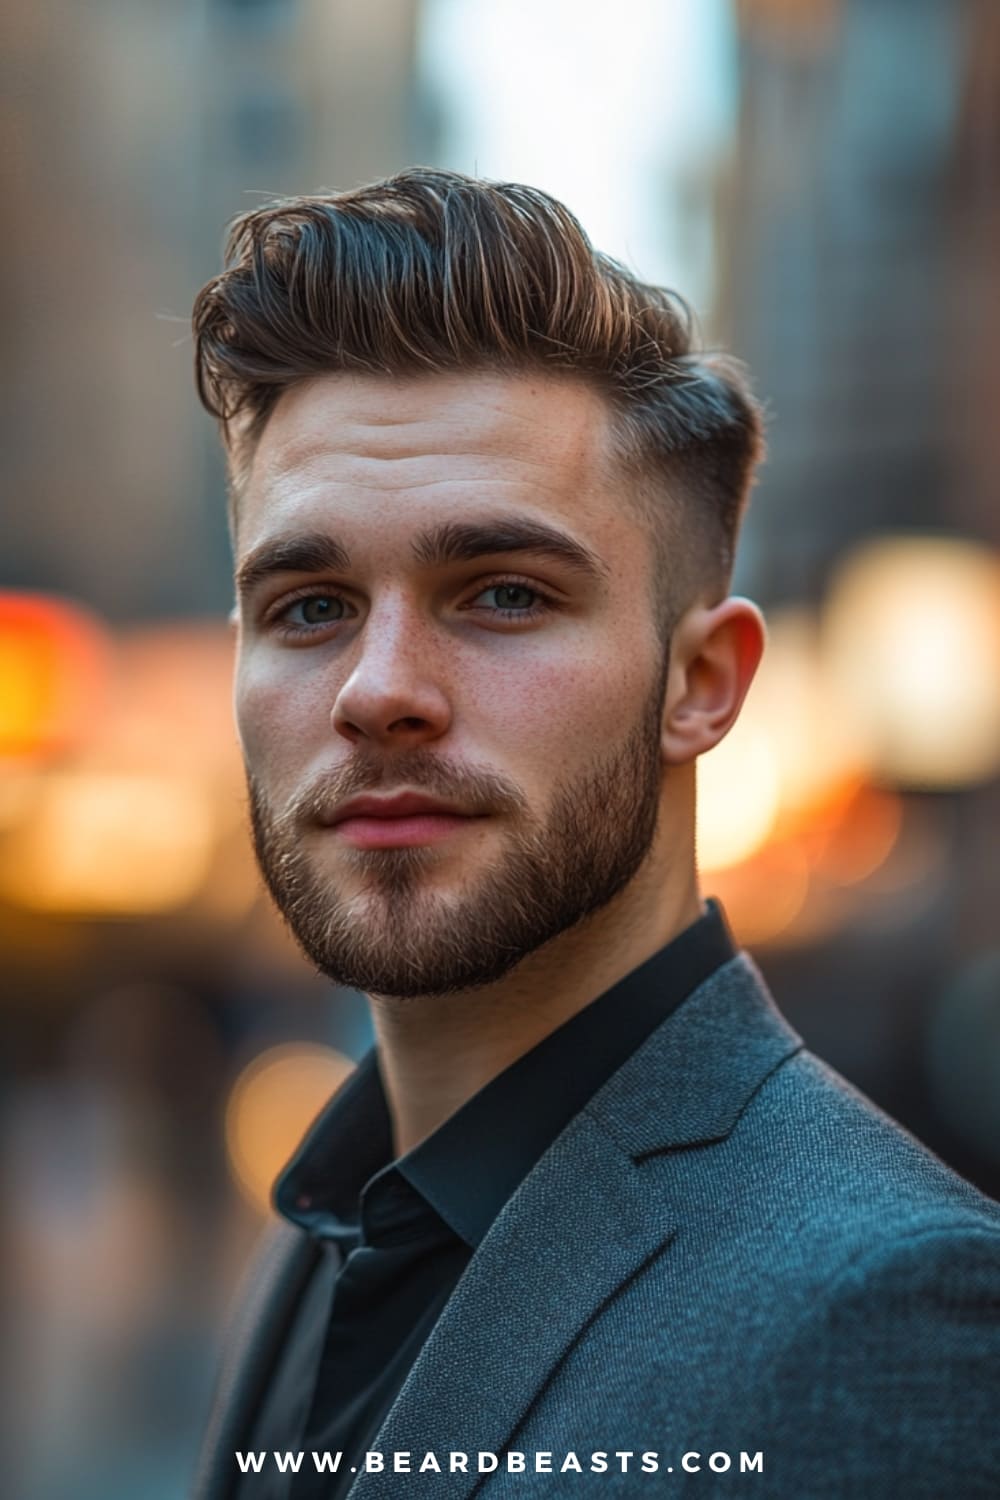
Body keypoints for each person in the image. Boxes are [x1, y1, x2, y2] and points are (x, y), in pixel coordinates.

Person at [188, 169, 999, 1498]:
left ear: (703, 685)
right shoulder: (330, 1227)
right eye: (309, 606)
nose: (378, 687)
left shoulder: (890, 1308)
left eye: (502, 592)